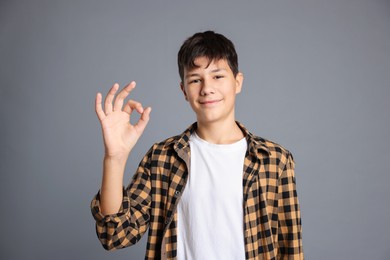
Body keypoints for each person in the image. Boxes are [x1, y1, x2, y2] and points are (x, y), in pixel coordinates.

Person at [91, 31, 303, 260]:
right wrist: (115, 158)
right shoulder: (163, 158)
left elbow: (290, 249)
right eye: (195, 79)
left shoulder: (275, 160)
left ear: (237, 82)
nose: (206, 88)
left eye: (217, 76)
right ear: (184, 90)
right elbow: (115, 235)